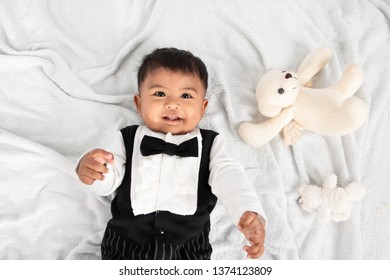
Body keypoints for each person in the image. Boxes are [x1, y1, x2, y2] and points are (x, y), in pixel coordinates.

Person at [76, 47, 266, 260]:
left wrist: (248, 210)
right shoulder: (127, 139)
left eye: (186, 95)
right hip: (126, 246)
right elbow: (109, 177)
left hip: (188, 249)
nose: (172, 104)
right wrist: (94, 173)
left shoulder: (211, 144)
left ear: (203, 108)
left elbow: (231, 178)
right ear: (139, 104)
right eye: (159, 94)